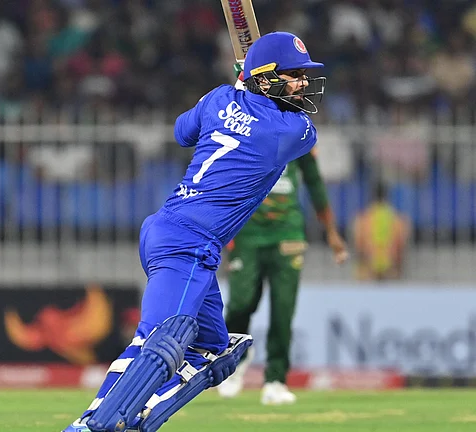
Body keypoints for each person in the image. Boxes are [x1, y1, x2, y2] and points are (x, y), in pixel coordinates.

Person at [63, 31, 328, 432]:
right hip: (190, 244)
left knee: (212, 351)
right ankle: (91, 425)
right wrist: (248, 90)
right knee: (159, 339)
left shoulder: (218, 98)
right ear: (267, 78)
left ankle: (141, 418)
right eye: (294, 75)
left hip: (166, 229)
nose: (304, 83)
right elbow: (304, 132)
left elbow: (182, 132)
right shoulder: (285, 132)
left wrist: (238, 91)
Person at [216, 150, 349, 405]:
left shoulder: (300, 136)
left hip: (287, 232)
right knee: (241, 303)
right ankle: (236, 359)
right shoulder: (247, 133)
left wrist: (331, 232)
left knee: (283, 309)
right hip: (247, 231)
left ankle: (275, 381)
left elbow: (314, 181)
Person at [352, 182, 410, 280]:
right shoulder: (397, 219)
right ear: (387, 196)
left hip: (369, 270)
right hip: (390, 270)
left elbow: (359, 246)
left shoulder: (363, 218)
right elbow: (401, 246)